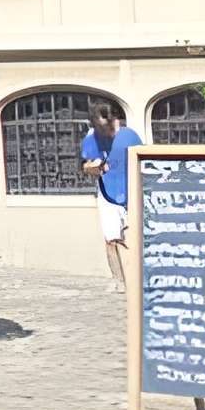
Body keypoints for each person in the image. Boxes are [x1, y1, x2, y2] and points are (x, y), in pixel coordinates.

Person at [80, 97, 144, 292]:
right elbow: (86, 166)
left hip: (133, 192)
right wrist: (95, 167)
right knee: (111, 240)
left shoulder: (130, 136)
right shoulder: (92, 138)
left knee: (134, 238)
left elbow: (144, 161)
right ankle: (119, 282)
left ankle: (139, 279)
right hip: (108, 194)